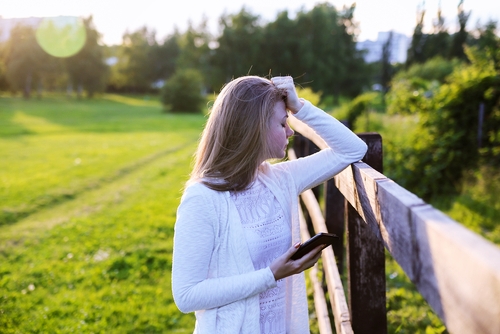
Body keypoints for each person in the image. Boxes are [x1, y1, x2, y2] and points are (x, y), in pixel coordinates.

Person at [172, 75, 367, 334]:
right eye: (283, 123)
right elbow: (186, 295)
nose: (291, 131)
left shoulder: (280, 180)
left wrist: (300, 107)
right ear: (255, 128)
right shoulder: (202, 198)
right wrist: (270, 275)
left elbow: (352, 149)